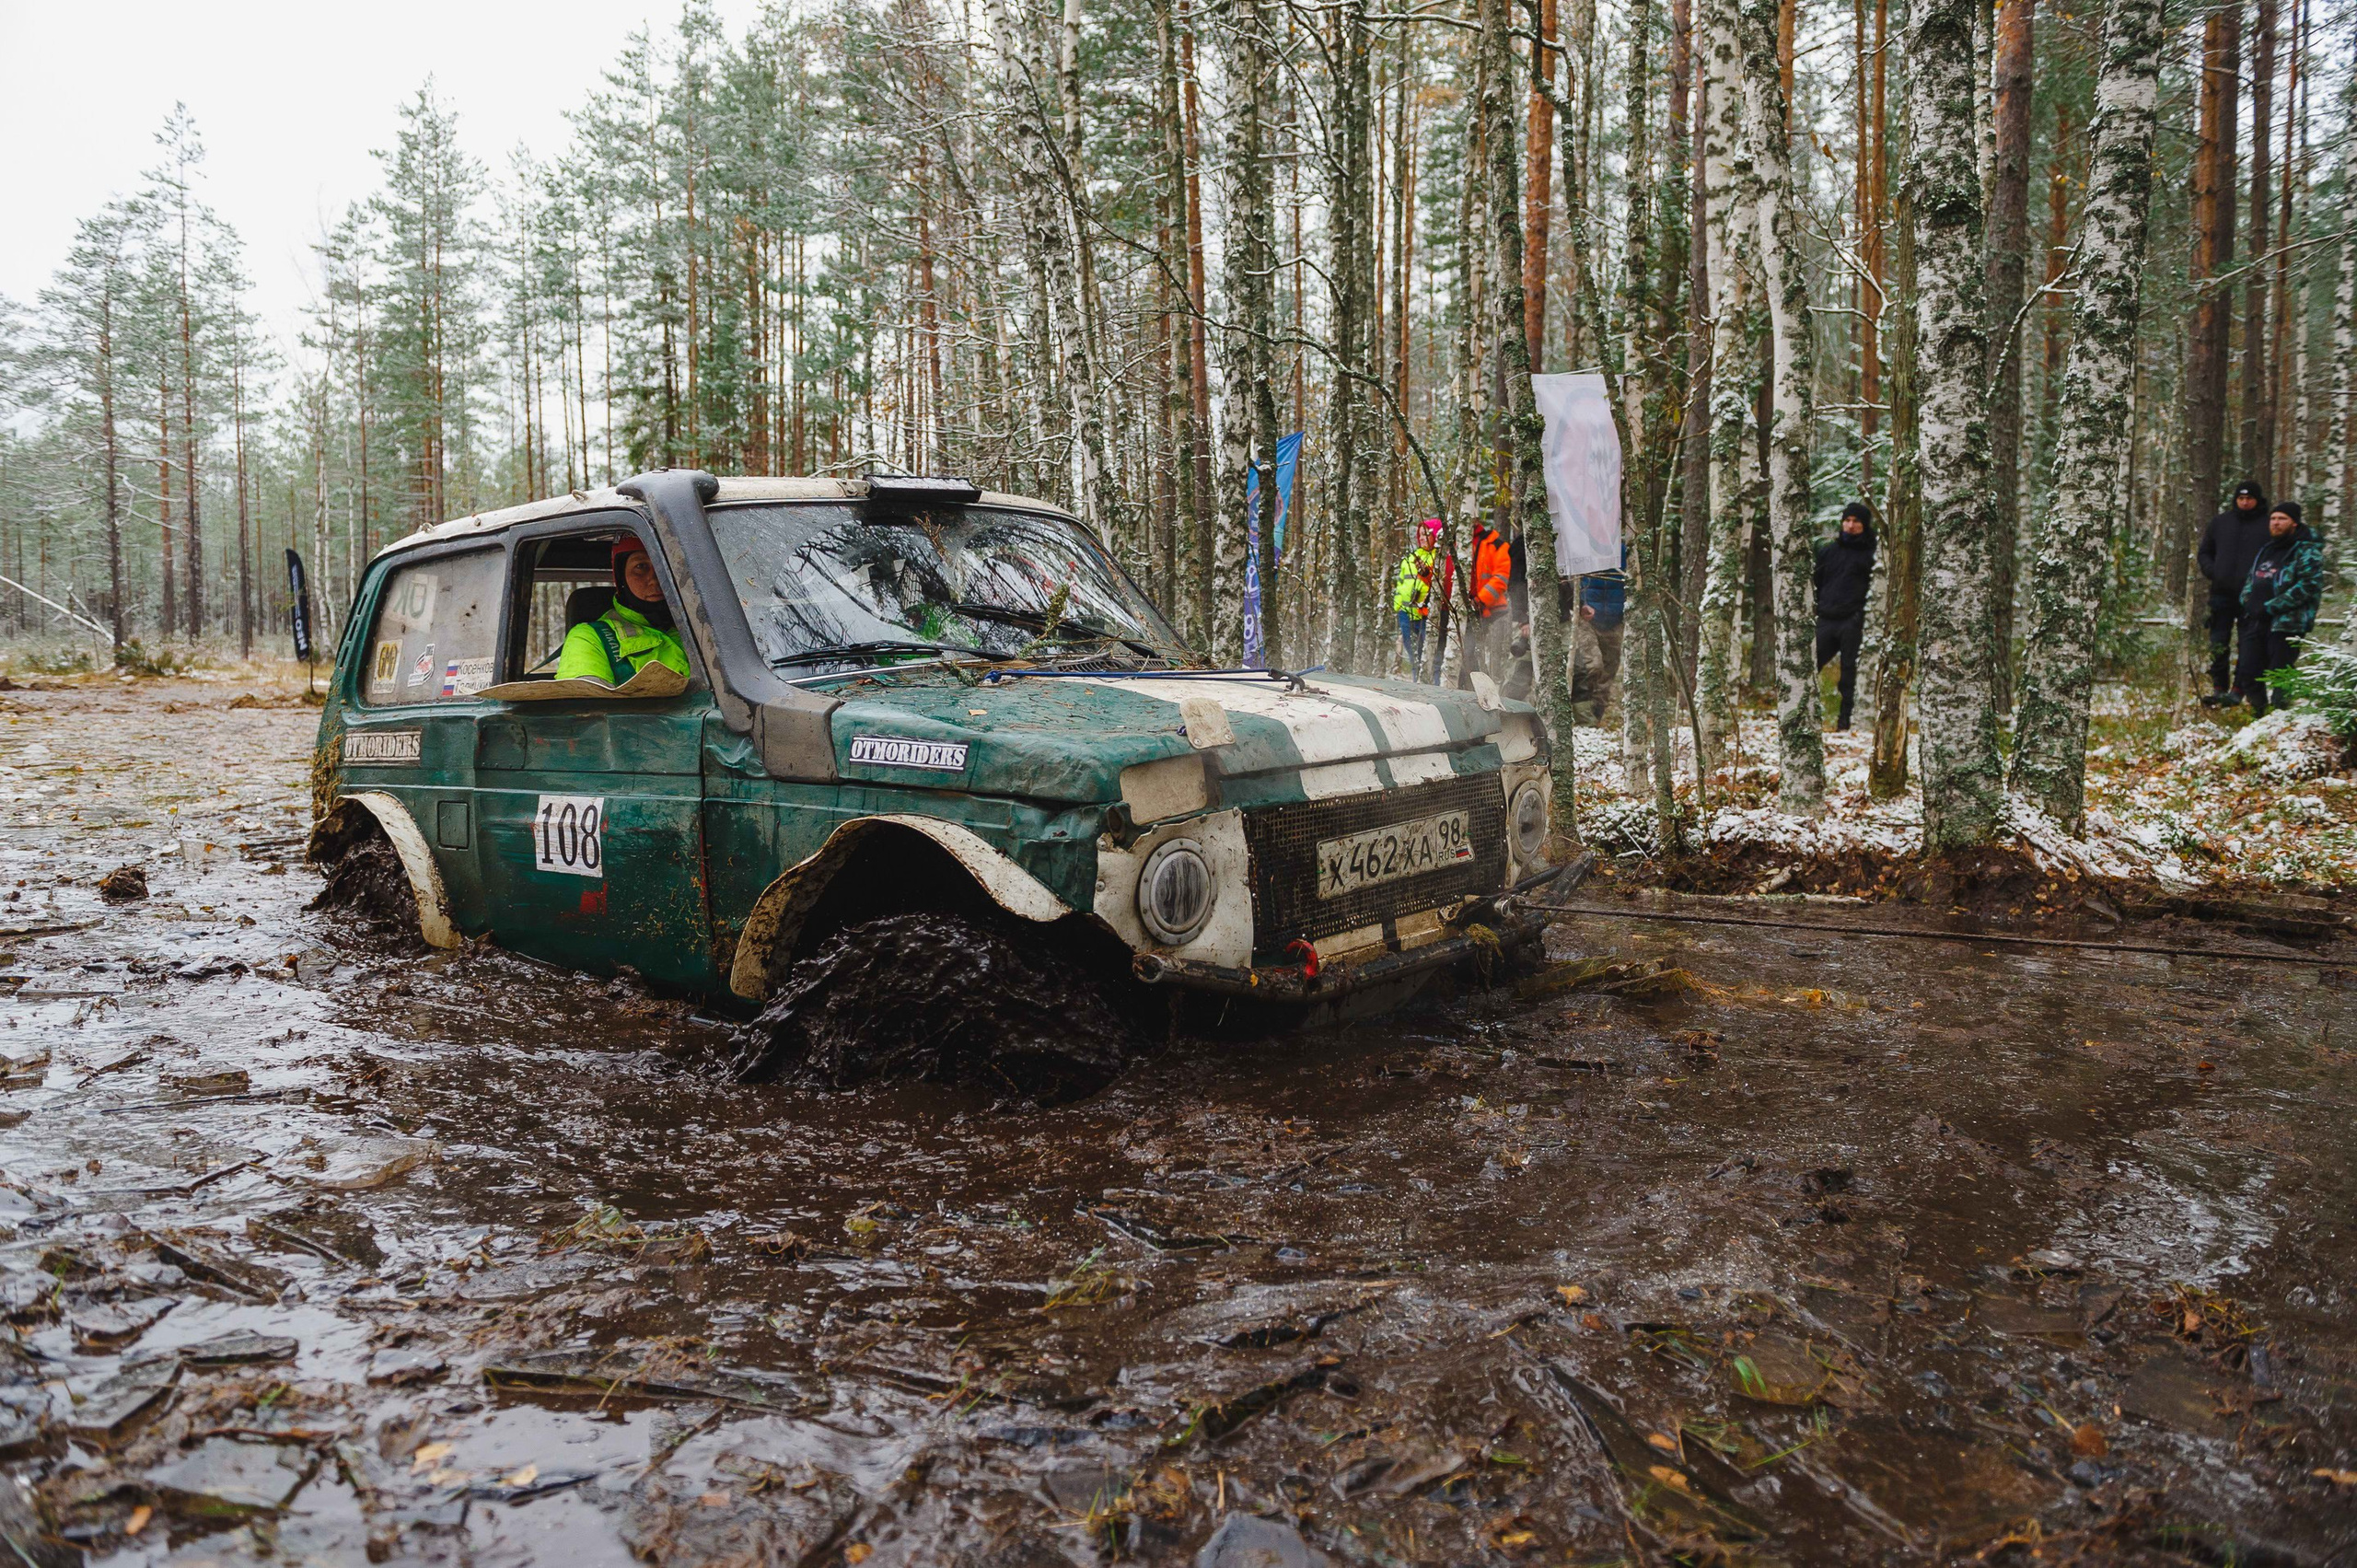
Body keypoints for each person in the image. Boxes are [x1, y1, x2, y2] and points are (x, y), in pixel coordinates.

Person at [559, 535, 691, 685]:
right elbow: (587, 705)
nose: (655, 579)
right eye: (641, 566)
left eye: (664, 566)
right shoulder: (590, 637)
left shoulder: (703, 626)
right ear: (621, 577)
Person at [2237, 500, 2324, 716]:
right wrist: (2247, 601)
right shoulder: (2267, 548)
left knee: (2280, 674)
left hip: (2287, 623)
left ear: (2294, 523)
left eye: (2282, 519)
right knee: (2247, 671)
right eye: (2273, 518)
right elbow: (2251, 579)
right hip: (2256, 620)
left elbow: (2308, 585)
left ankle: (2280, 717)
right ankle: (2259, 714)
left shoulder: (2307, 551)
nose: (2275, 523)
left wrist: (2271, 607)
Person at [2199, 480, 2271, 706]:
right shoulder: (2221, 522)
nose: (2245, 502)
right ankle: (2219, 687)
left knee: (2247, 644)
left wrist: (2262, 581)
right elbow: (2205, 552)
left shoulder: (2268, 524)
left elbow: (2276, 556)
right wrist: (2214, 571)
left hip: (2253, 596)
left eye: (2249, 498)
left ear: (2258, 500)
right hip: (2221, 593)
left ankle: (2238, 690)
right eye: (2241, 498)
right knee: (2218, 641)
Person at [1813, 501, 1877, 731]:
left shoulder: (1873, 555)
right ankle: (1803, 715)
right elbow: (1816, 583)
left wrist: (1861, 614)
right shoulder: (1829, 551)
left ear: (1864, 525)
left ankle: (1846, 723)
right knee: (1809, 664)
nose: (1850, 525)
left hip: (1854, 620)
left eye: (1856, 521)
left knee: (1850, 673)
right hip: (1827, 618)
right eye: (1847, 520)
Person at [1569, 559, 1625, 725]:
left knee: (1608, 674)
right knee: (1592, 666)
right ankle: (1581, 713)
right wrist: (1579, 604)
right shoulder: (1583, 548)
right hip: (1587, 619)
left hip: (1615, 620)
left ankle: (1594, 719)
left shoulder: (1623, 550)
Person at [1469, 519, 1516, 678]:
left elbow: (1501, 579)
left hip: (1485, 609)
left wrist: (1480, 601)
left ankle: (1472, 690)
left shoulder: (1497, 545)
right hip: (1458, 608)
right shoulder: (1454, 543)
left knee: (1472, 652)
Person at [1392, 519, 1441, 671]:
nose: (1421, 538)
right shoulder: (1409, 559)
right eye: (1420, 535)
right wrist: (1398, 607)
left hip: (1426, 615)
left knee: (1427, 657)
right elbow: (1401, 584)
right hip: (1406, 614)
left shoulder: (1438, 559)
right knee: (1413, 657)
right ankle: (1415, 682)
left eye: (1426, 534)